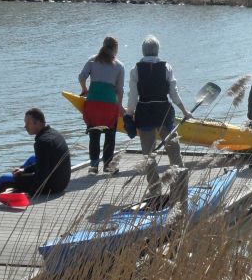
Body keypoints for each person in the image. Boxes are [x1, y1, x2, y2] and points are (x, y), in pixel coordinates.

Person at [127, 35, 191, 197]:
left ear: (143, 51)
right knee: (174, 153)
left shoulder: (135, 70)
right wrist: (185, 111)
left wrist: (129, 114)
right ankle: (179, 187)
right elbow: (174, 94)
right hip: (164, 113)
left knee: (149, 156)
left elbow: (133, 97)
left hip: (145, 114)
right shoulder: (167, 67)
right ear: (157, 51)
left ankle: (155, 190)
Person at [79, 36, 125, 174]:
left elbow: (81, 77)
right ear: (115, 49)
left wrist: (85, 90)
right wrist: (120, 106)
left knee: (94, 136)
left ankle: (93, 167)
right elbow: (120, 90)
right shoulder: (119, 66)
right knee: (110, 136)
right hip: (109, 105)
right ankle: (107, 166)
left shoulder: (92, 61)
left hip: (93, 104)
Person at [0, 108, 71, 196]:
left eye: (27, 123)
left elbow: (42, 173)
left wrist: (31, 193)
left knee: (15, 179)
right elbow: (45, 163)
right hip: (62, 183)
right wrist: (25, 169)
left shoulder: (42, 142)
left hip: (52, 187)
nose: (25, 126)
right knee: (24, 173)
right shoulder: (55, 134)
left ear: (37, 123)